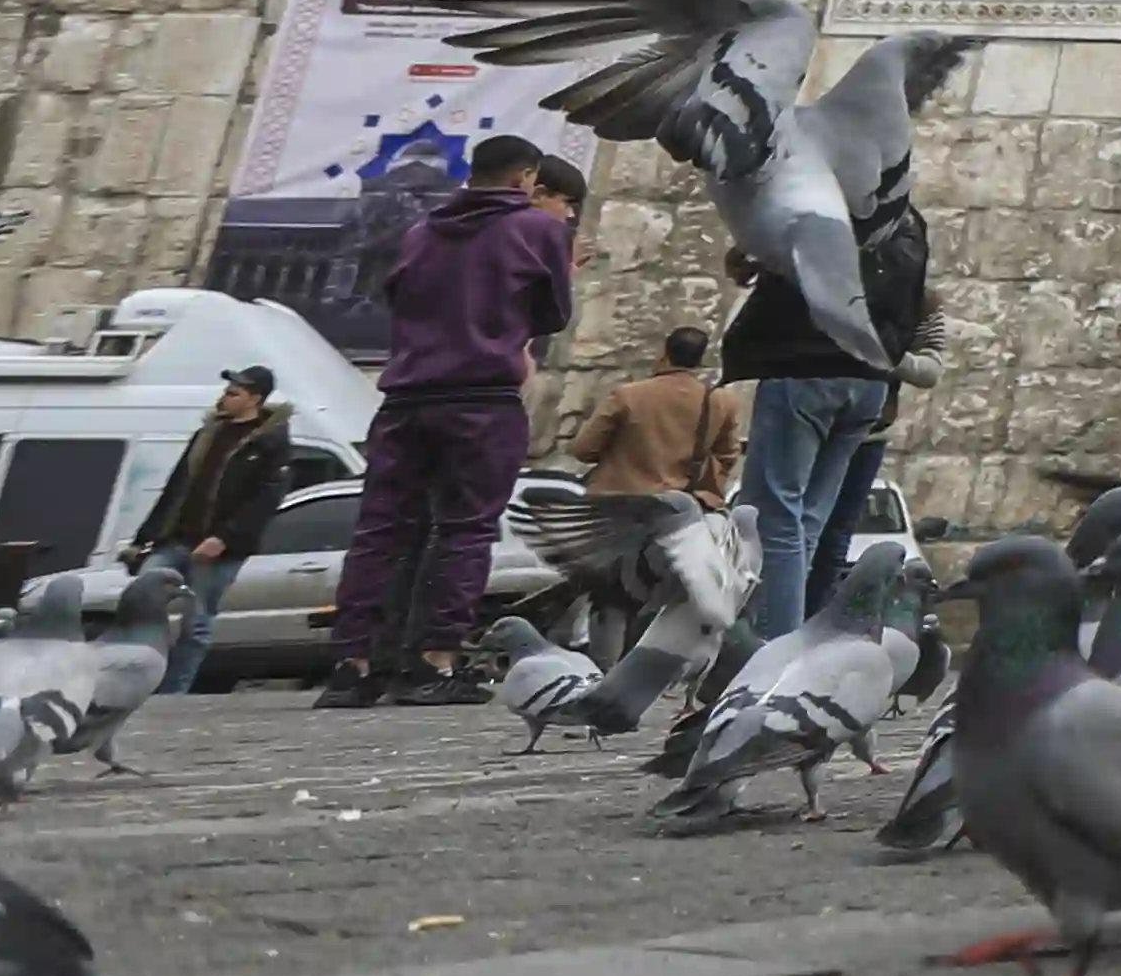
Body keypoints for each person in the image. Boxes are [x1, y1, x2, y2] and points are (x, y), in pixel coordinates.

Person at [323, 140, 577, 706]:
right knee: (465, 530)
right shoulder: (538, 231)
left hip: (406, 397)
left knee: (380, 532)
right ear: (526, 178)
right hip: (481, 397)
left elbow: (397, 294)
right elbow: (553, 315)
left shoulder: (421, 232)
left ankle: (354, 663)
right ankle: (433, 662)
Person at [728, 133, 933, 642]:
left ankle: (776, 645)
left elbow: (748, 259)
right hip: (867, 386)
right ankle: (792, 639)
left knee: (773, 516)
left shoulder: (817, 208)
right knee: (809, 523)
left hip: (805, 369)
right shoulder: (909, 224)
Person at [125, 359, 300, 696]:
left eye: (234, 392)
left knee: (196, 622)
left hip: (220, 550)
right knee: (141, 601)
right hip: (175, 540)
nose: (225, 397)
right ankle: (138, 680)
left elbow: (265, 501)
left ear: (255, 398)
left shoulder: (271, 444)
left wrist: (224, 538)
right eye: (226, 391)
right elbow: (176, 489)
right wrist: (144, 539)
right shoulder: (207, 434)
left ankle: (173, 693)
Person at [560, 322, 744, 510]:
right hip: (679, 505)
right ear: (700, 360)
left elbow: (584, 449)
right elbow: (727, 456)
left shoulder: (627, 395)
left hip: (615, 501)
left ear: (664, 354)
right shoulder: (721, 402)